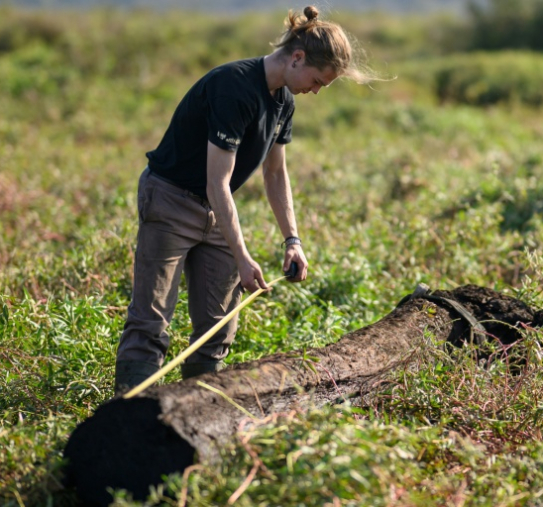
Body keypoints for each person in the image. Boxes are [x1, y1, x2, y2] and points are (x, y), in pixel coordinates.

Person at [115, 5, 375, 393]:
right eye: (318, 81)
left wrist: (293, 241)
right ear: (297, 57)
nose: (317, 91)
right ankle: (127, 413)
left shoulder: (285, 101)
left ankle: (195, 410)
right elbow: (217, 183)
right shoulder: (233, 88)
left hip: (214, 212)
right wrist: (243, 255)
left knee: (219, 323)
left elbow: (275, 173)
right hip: (171, 202)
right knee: (151, 321)